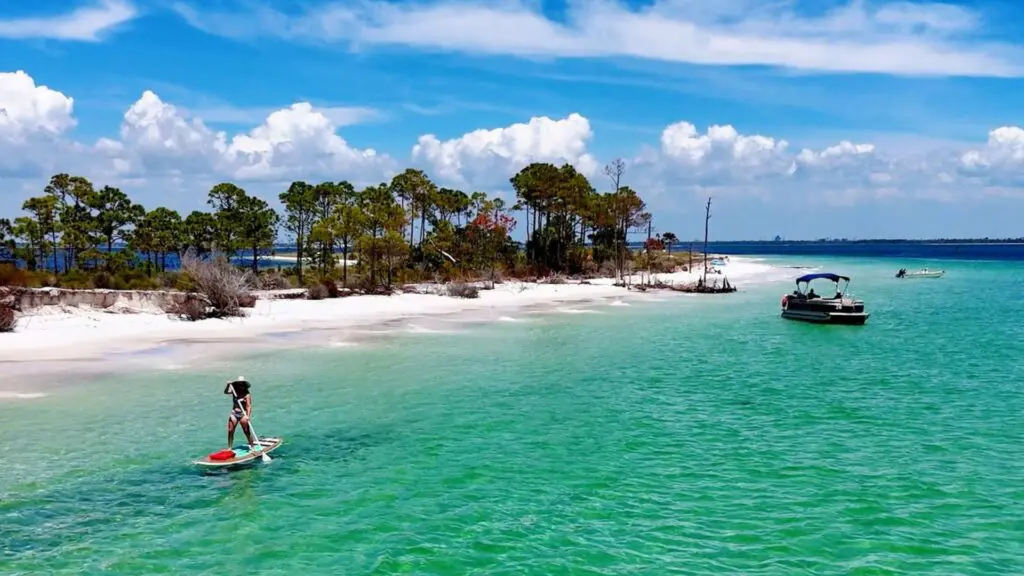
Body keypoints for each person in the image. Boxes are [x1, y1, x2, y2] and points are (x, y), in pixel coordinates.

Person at [224, 376, 256, 448]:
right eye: (239, 384)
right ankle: (229, 447)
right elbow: (226, 392)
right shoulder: (234, 391)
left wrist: (247, 416)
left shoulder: (247, 394)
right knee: (230, 430)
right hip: (234, 413)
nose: (240, 385)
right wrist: (228, 385)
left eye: (242, 384)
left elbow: (249, 406)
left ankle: (252, 446)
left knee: (246, 432)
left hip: (243, 414)